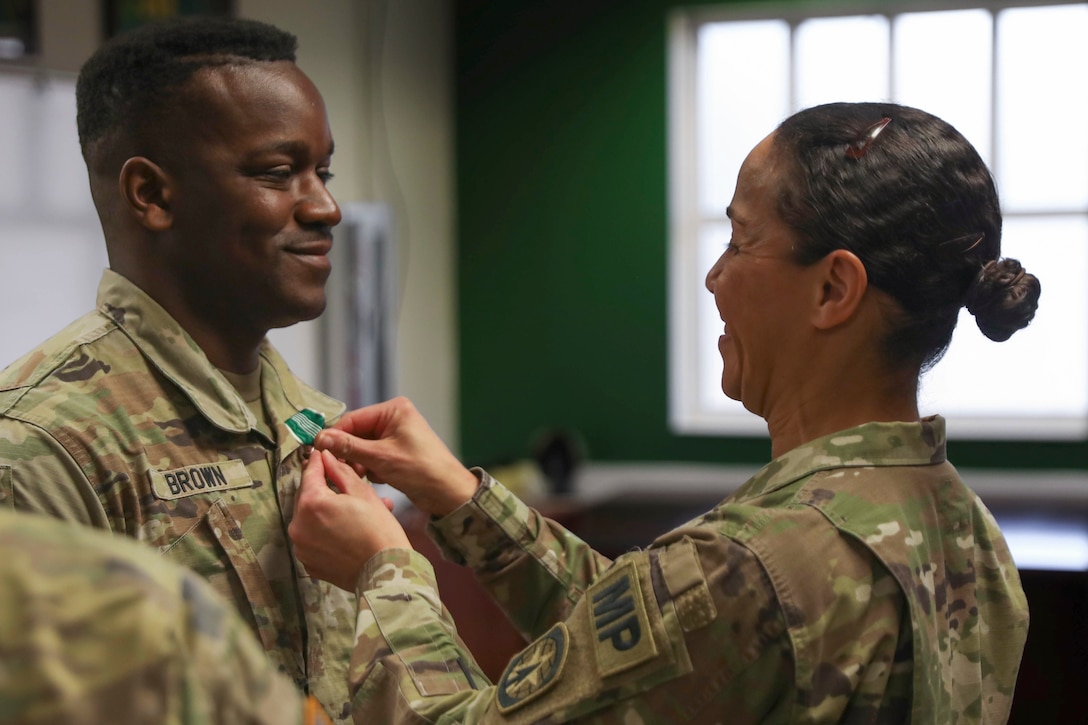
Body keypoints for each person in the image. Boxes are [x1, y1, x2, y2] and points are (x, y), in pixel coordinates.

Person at [287, 102, 1038, 723]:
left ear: (833, 290)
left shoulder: (754, 560)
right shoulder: (962, 529)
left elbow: (700, 612)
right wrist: (460, 498)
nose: (714, 277)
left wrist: (384, 572)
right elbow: (658, 648)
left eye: (742, 239)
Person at [0, 16, 355, 721]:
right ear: (152, 195)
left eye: (324, 171)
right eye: (278, 173)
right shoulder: (39, 449)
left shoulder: (316, 420)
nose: (326, 207)